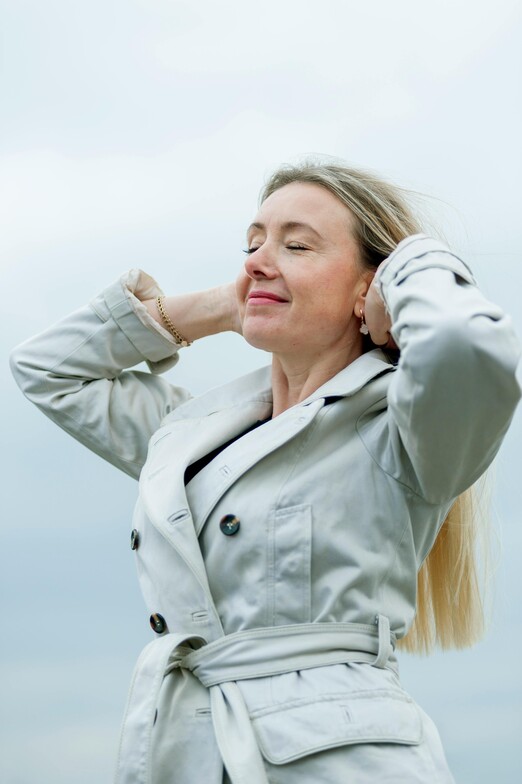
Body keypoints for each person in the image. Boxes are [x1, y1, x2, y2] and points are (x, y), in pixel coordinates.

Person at [10, 161, 521, 784]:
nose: (257, 260)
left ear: (371, 287)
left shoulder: (402, 427)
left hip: (341, 761)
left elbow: (466, 345)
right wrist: (220, 306)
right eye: (251, 245)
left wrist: (411, 264)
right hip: (190, 751)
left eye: (297, 245)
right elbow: (47, 369)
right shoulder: (190, 432)